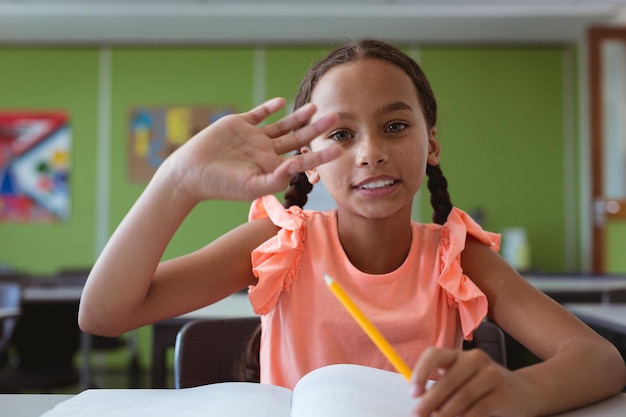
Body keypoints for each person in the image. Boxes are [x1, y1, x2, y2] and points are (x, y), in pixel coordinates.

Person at [79, 39, 626, 417]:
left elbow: (600, 359)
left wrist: (518, 392)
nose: (371, 153)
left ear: (430, 144)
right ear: (309, 160)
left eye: (394, 126)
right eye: (341, 134)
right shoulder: (280, 243)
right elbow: (105, 314)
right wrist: (176, 181)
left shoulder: (458, 257)